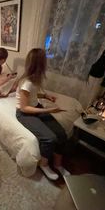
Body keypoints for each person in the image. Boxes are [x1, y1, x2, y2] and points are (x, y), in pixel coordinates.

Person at [16, 48, 70, 181]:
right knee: (49, 138)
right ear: (40, 65)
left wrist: (46, 96)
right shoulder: (27, 83)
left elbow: (32, 94)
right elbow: (24, 108)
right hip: (25, 114)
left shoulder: (35, 79)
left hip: (35, 107)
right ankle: (44, 165)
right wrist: (48, 110)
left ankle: (58, 164)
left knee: (61, 134)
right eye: (45, 62)